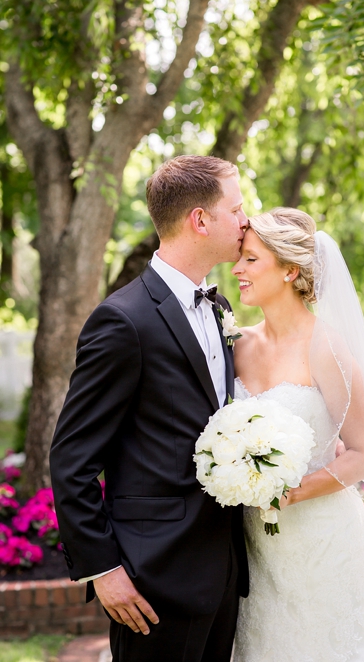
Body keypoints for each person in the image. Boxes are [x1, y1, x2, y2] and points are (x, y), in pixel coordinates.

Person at [49, 155, 251, 661]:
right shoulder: (122, 320)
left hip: (224, 569)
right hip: (153, 580)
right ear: (200, 220)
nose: (246, 221)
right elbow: (71, 461)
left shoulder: (220, 308)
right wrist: (104, 569)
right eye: (238, 208)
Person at [229, 208, 364, 661]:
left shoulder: (326, 346)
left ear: (290, 270)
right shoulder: (236, 344)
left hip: (322, 540)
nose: (237, 268)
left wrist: (287, 494)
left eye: (251, 260)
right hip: (256, 547)